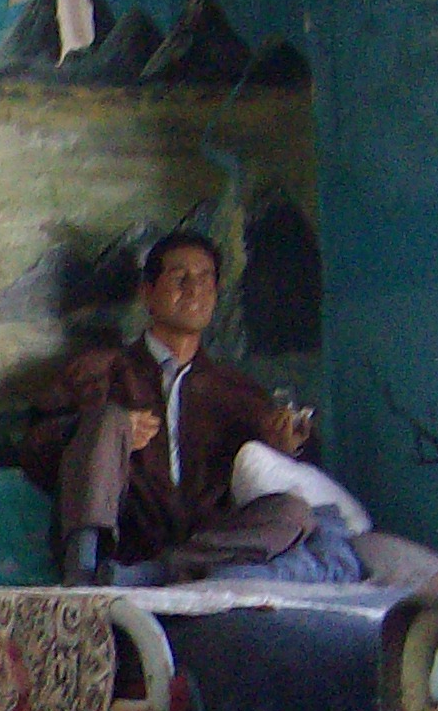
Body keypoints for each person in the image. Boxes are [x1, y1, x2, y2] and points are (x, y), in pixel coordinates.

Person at [19, 231, 357, 585]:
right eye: (180, 277)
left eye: (205, 280)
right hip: (120, 536)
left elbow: (280, 471)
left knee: (293, 512)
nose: (194, 290)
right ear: (148, 292)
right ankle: (84, 570)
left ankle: (156, 573)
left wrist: (287, 445)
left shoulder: (237, 390)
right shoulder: (97, 371)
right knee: (109, 420)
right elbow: (34, 449)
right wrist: (100, 433)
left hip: (204, 541)